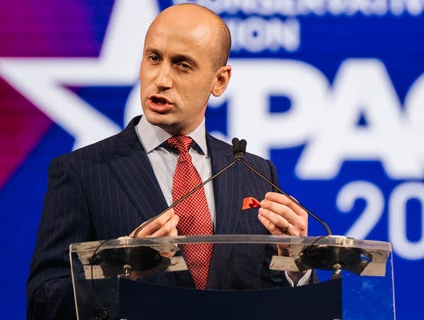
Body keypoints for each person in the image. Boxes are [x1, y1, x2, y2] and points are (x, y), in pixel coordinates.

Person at [26, 4, 311, 319]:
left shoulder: (255, 173)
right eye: (153, 58)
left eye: (182, 65)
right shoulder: (82, 171)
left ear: (219, 81)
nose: (161, 79)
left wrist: (296, 266)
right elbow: (43, 301)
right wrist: (121, 271)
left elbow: (271, 296)